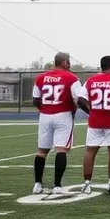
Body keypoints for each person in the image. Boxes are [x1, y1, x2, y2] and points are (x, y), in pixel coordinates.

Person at [31, 52, 87, 195]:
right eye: (68, 62)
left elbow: (35, 100)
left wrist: (44, 109)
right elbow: (79, 99)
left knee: (42, 151)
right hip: (63, 115)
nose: (69, 64)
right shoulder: (71, 78)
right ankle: (57, 185)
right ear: (64, 63)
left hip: (45, 115)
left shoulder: (41, 78)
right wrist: (89, 111)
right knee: (61, 150)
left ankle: (37, 184)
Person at [80, 55, 110, 195]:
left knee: (90, 152)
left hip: (95, 121)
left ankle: (87, 183)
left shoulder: (91, 80)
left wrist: (90, 111)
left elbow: (80, 99)